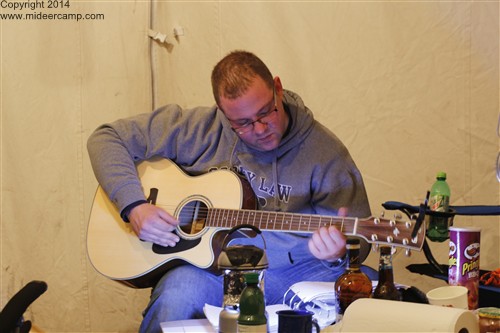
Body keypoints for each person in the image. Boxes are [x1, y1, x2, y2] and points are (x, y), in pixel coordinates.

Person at [87, 50, 373, 333]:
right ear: (223, 113)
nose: (260, 128)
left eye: (266, 112)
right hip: (212, 272)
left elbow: (359, 240)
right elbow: (107, 138)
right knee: (175, 297)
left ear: (277, 88)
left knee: (370, 294)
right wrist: (135, 205)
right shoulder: (200, 129)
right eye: (243, 124)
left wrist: (339, 252)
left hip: (293, 274)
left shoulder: (325, 154)